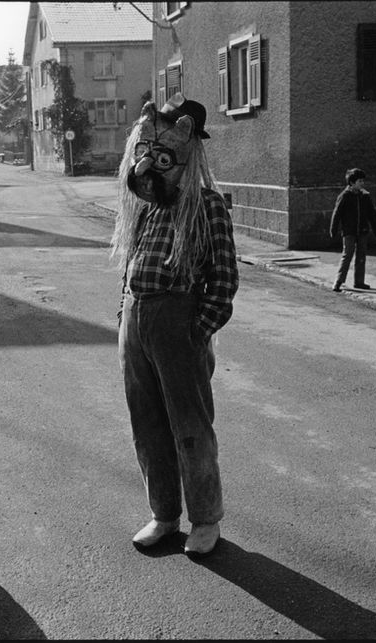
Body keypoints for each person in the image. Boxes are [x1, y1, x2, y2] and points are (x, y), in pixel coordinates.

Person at [111, 93, 238, 558]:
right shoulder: (147, 207)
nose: (148, 164)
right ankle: (164, 514)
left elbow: (223, 281)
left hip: (178, 322)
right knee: (146, 426)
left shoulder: (207, 206)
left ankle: (205, 519)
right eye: (146, 153)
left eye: (160, 156)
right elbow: (131, 264)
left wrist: (195, 331)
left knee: (190, 426)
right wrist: (125, 316)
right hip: (137, 320)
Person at [329, 168, 376, 292]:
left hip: (362, 230)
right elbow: (337, 213)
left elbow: (371, 213)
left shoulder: (365, 196)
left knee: (361, 255)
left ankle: (359, 281)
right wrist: (333, 228)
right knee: (347, 254)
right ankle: (339, 281)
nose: (362, 183)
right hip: (349, 231)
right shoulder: (345, 196)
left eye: (363, 181)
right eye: (360, 181)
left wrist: (375, 227)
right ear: (352, 182)